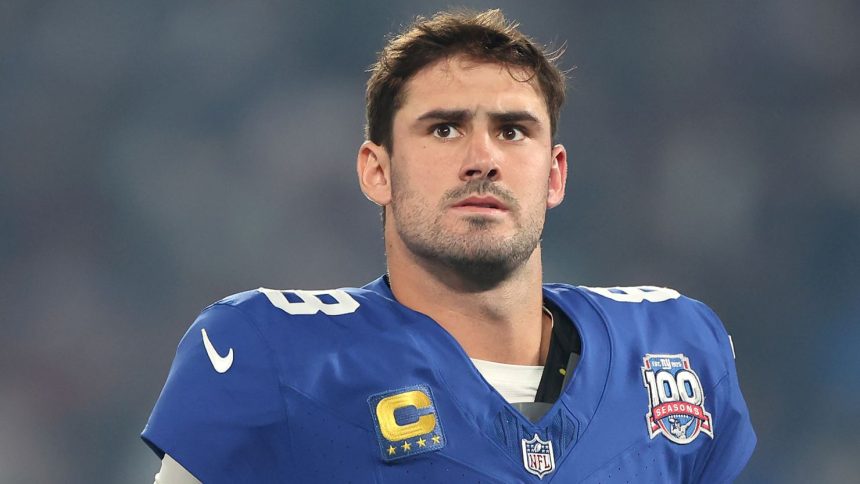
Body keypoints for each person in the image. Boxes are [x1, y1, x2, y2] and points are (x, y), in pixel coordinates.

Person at [142, 9, 756, 483]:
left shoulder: (672, 352)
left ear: (554, 175)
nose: (482, 159)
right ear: (376, 171)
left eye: (513, 130)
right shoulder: (273, 355)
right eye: (444, 129)